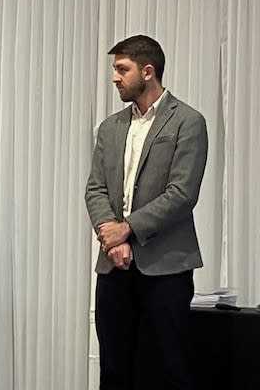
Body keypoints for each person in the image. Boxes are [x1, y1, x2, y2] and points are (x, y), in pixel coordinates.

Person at [85, 35, 208, 390]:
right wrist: (112, 237)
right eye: (115, 69)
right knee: (114, 370)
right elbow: (95, 188)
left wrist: (127, 230)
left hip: (166, 268)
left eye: (122, 69)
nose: (115, 77)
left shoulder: (188, 121)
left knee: (168, 370)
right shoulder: (110, 128)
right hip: (113, 266)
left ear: (148, 71)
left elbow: (182, 193)